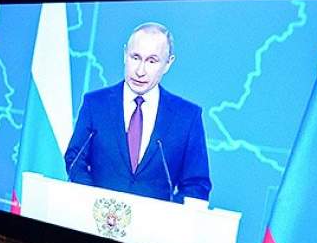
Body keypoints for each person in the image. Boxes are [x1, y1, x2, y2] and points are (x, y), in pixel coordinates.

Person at [63, 22, 211, 202]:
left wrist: (167, 214)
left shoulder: (187, 117)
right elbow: (75, 159)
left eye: (152, 61)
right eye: (135, 57)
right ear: (125, 54)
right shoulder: (95, 104)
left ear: (168, 63)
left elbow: (197, 185)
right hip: (97, 214)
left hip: (157, 219)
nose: (140, 71)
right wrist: (94, 201)